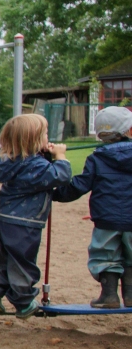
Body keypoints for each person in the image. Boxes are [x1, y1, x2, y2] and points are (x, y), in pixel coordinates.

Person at [0, 113, 71, 318]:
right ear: (33, 140)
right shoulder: (36, 166)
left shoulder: (6, 160)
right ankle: (23, 301)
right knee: (23, 261)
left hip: (5, 218)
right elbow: (61, 176)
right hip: (25, 223)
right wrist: (60, 156)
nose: (48, 137)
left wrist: (42, 155)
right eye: (45, 134)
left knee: (5, 257)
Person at [53, 106, 132, 308]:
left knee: (105, 255)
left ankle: (109, 296)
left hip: (107, 219)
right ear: (129, 130)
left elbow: (79, 186)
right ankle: (130, 296)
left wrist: (53, 193)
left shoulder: (96, 158)